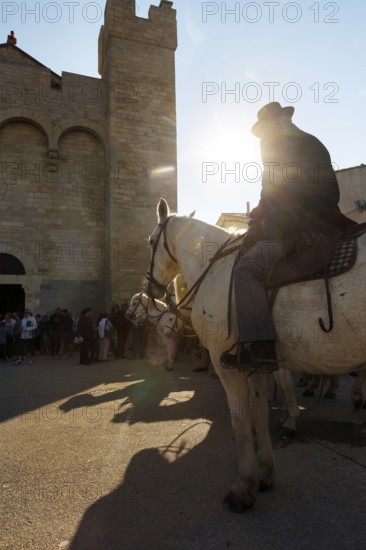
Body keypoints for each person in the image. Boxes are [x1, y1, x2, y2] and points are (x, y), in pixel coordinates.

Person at [221, 102, 354, 373]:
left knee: (246, 269)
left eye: (266, 130)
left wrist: (261, 226)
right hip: (317, 226)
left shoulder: (284, 150)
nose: (264, 138)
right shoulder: (310, 142)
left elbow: (276, 198)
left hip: (302, 233)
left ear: (279, 122)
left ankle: (261, 347)